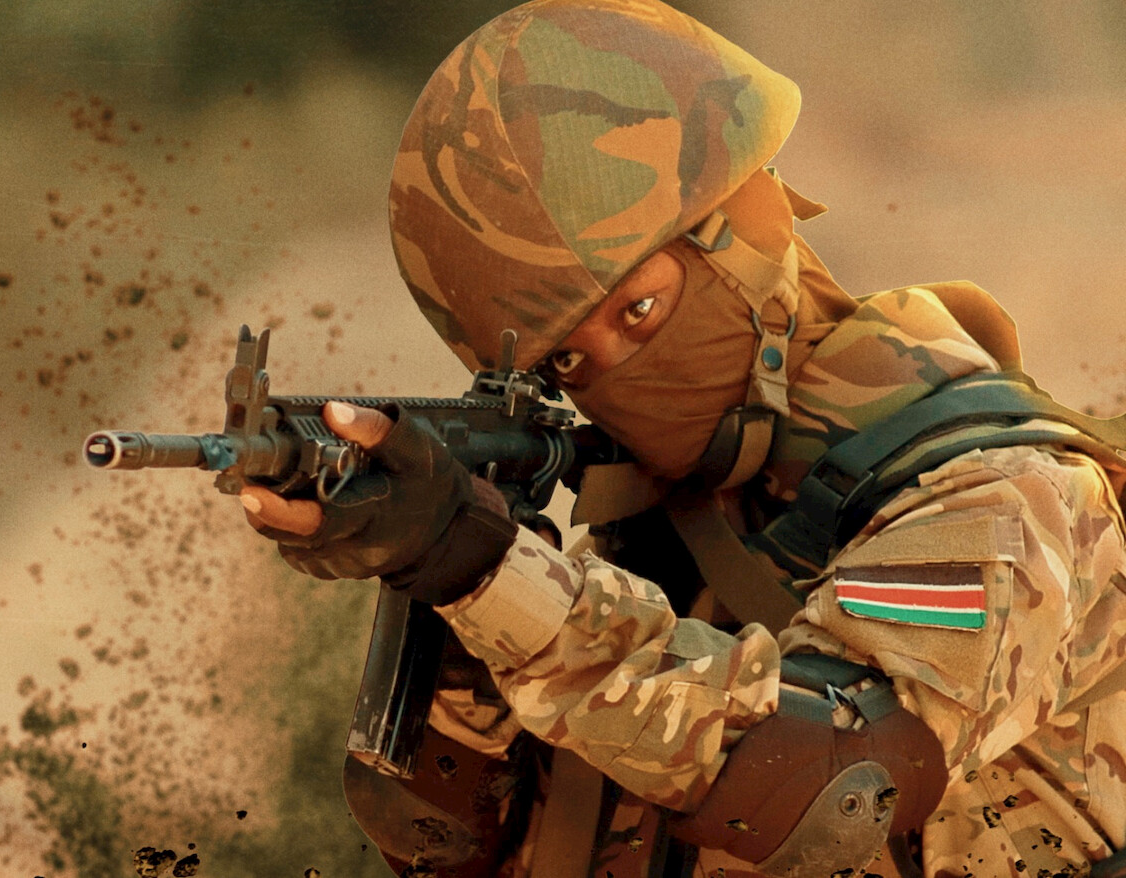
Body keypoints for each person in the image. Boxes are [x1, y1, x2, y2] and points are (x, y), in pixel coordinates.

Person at [236, 2, 1126, 876]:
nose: (624, 373)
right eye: (571, 362)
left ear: (750, 229)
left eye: (642, 309)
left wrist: (491, 575)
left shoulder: (1007, 498)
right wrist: (442, 591)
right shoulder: (660, 540)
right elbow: (462, 848)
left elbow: (826, 784)